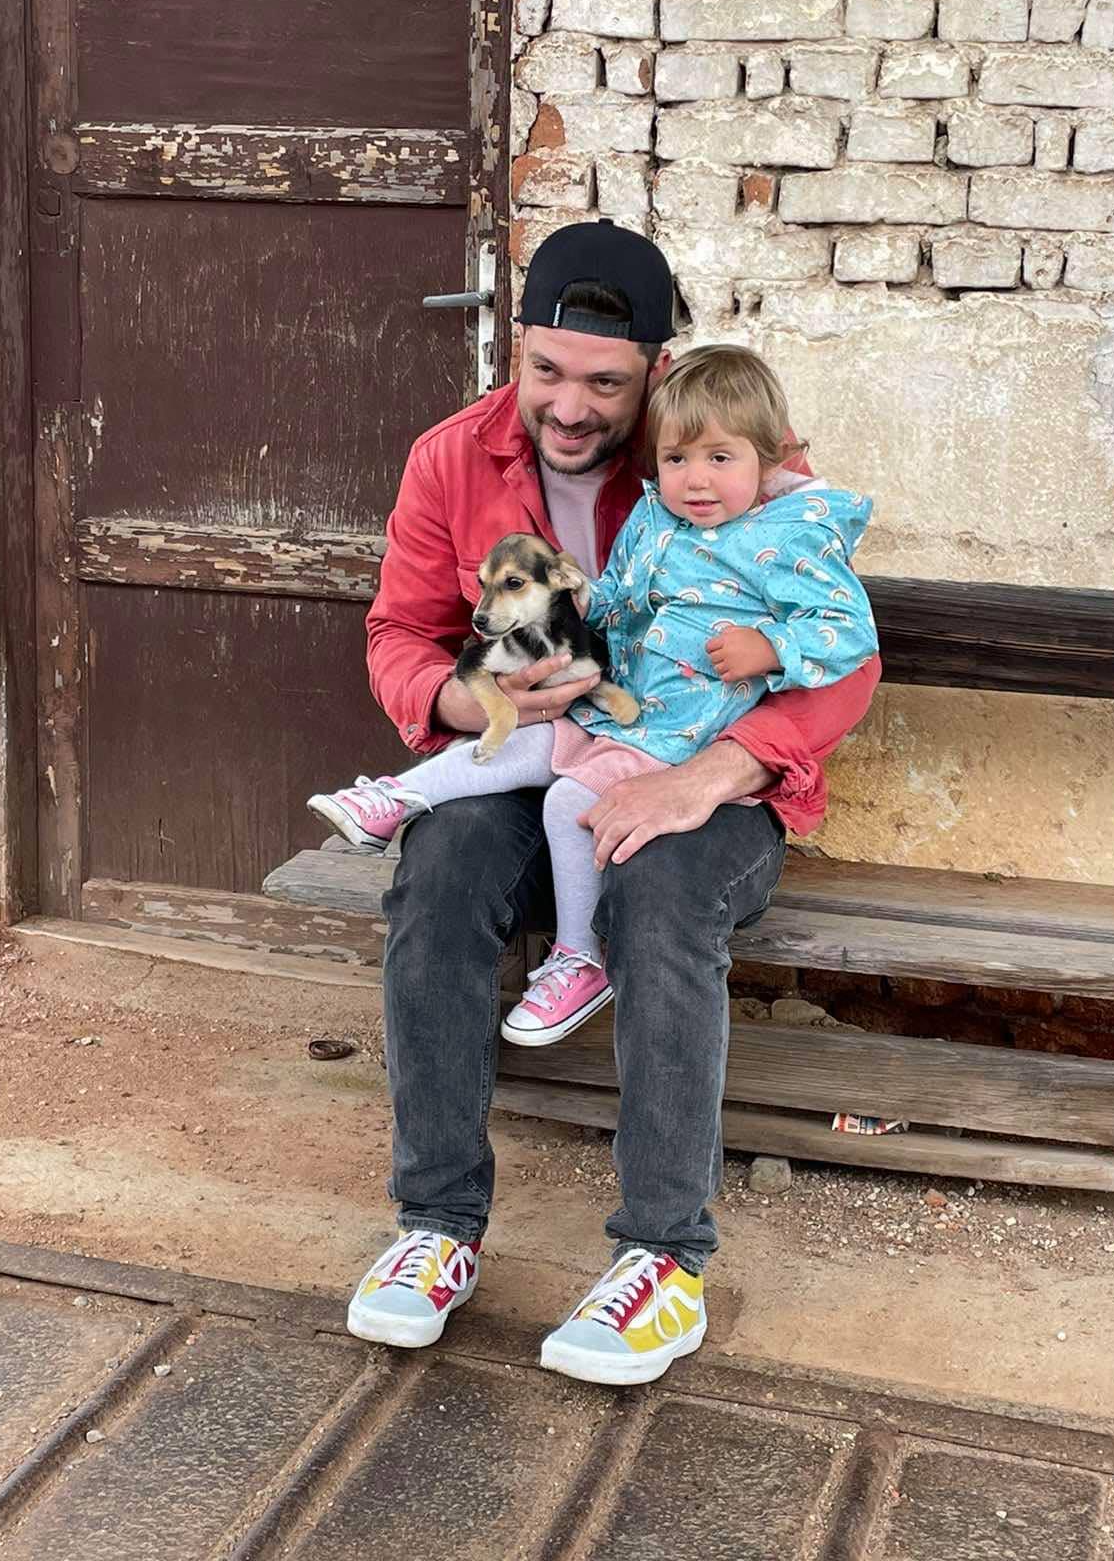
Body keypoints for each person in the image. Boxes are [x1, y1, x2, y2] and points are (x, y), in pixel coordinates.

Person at [342, 220, 882, 1387]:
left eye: (605, 383)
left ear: (655, 369)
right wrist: (463, 695)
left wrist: (714, 773)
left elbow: (846, 660)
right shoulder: (450, 458)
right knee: (439, 870)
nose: (570, 406)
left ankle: (663, 1262)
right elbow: (399, 634)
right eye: (546, 371)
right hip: (538, 760)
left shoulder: (713, 446)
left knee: (661, 886)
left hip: (710, 767)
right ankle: (437, 1226)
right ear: (516, 348)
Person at [308, 345, 878, 1058]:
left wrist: (770, 649)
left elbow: (848, 635)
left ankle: (580, 957)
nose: (696, 479)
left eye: (719, 459)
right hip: (616, 709)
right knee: (513, 759)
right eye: (677, 460)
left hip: (685, 733)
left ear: (765, 461)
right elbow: (613, 598)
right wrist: (576, 606)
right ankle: (399, 797)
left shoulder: (789, 534)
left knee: (579, 811)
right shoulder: (652, 516)